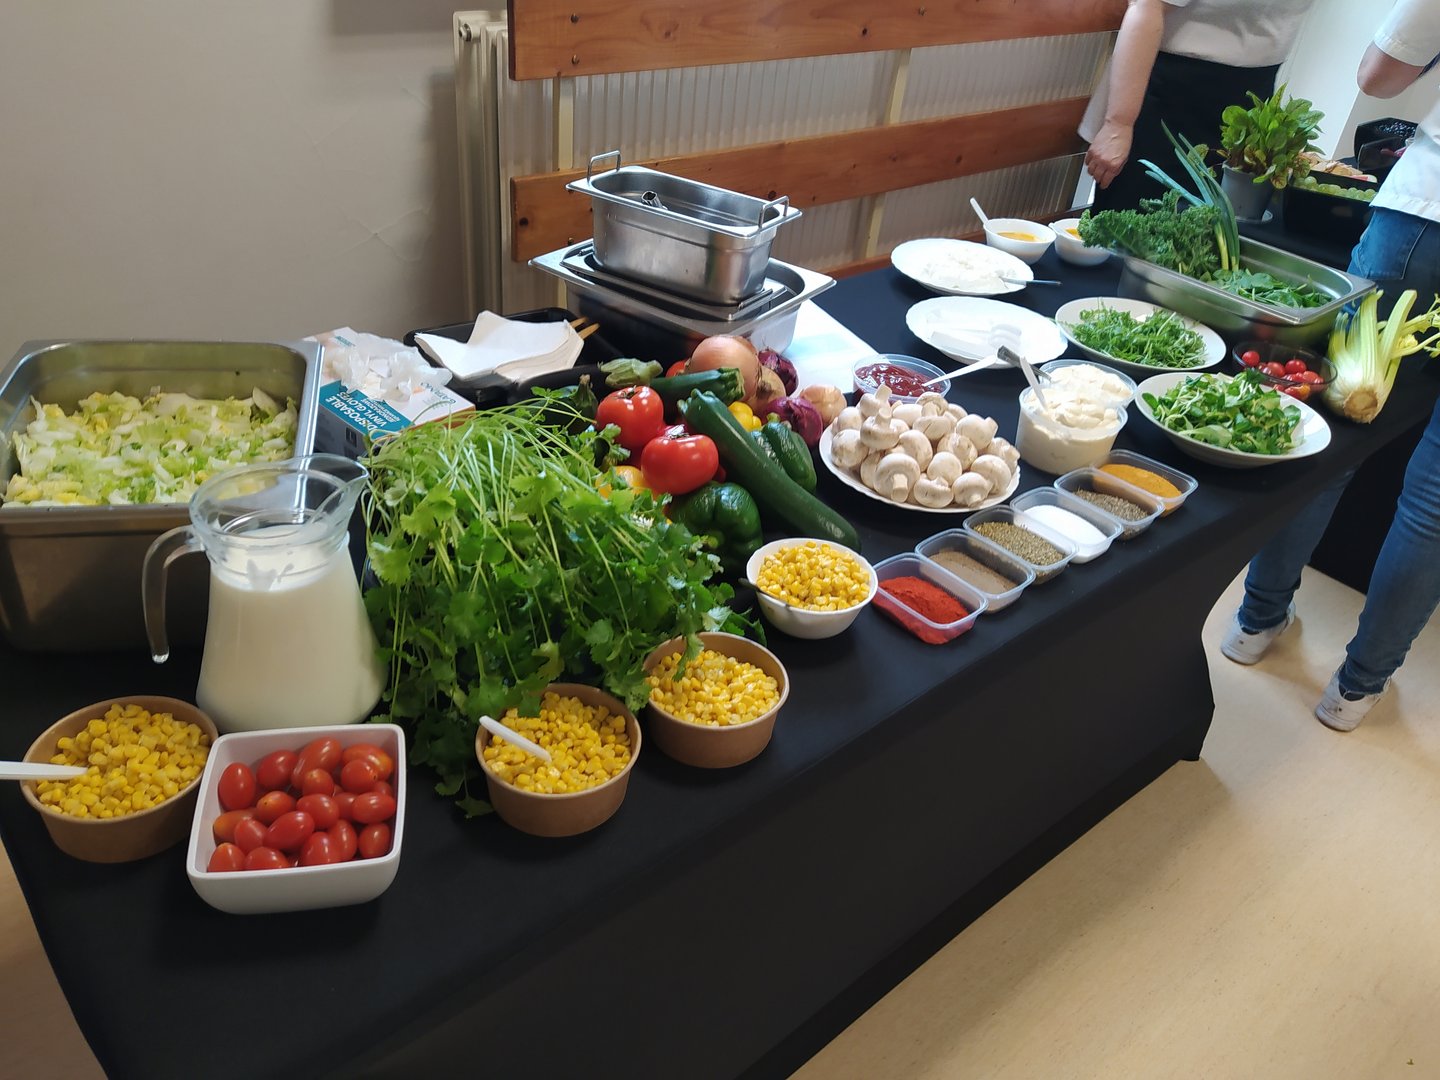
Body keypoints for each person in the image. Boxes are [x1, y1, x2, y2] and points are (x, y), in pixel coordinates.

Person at [1220, 0, 1440, 732]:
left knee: (1330, 443)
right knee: (1435, 501)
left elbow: (1377, 77)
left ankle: (1254, 624)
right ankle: (1355, 691)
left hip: (1425, 219)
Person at [1082, 0, 1318, 211]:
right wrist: (1119, 124)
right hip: (1169, 97)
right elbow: (1146, 6)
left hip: (1251, 104)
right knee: (1131, 230)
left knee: (1210, 242)